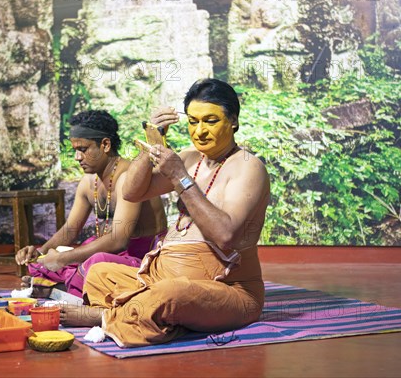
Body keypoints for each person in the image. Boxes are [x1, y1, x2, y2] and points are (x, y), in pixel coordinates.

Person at [60, 78, 270, 348]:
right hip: (157, 277)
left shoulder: (248, 167)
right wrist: (152, 142)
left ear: (233, 121)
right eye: (193, 122)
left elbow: (225, 235)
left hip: (228, 290)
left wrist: (180, 177)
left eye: (210, 121)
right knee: (100, 272)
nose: (200, 131)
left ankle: (107, 315)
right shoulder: (188, 157)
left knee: (172, 294)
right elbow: (132, 192)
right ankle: (143, 315)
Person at [15, 110, 167, 297]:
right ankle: (63, 288)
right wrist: (40, 253)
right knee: (42, 264)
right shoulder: (89, 182)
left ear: (105, 145)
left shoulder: (127, 177)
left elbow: (119, 240)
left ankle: (57, 289)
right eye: (75, 151)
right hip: (116, 253)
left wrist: (62, 259)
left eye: (83, 149)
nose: (78, 157)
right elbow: (70, 229)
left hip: (144, 257)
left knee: (96, 262)